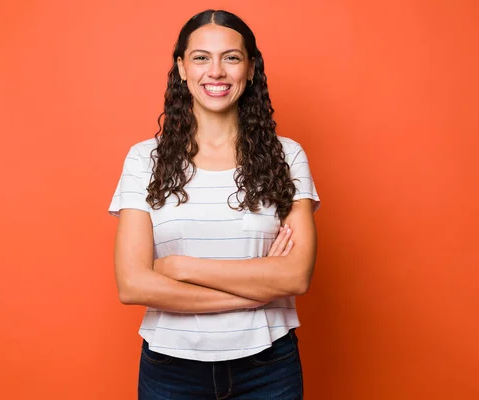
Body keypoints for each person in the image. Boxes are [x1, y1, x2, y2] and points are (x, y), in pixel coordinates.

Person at [108, 9, 320, 400]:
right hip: (170, 370)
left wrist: (181, 268)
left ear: (251, 68)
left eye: (232, 57)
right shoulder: (144, 160)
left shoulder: (287, 156)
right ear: (182, 68)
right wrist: (257, 289)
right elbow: (133, 283)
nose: (216, 71)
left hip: (268, 367)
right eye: (201, 57)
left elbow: (295, 278)